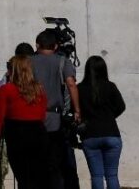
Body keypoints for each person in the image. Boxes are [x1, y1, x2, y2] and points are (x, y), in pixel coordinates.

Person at [0, 54, 49, 189]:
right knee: (37, 175)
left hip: (16, 132)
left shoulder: (7, 89)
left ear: (14, 70)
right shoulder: (39, 89)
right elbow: (43, 114)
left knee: (22, 175)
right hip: (38, 131)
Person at [32, 31, 81, 189]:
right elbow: (71, 84)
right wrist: (77, 110)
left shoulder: (28, 62)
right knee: (56, 164)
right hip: (55, 117)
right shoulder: (62, 61)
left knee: (36, 164)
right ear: (56, 46)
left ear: (37, 45)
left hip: (32, 117)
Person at [78, 56, 127, 189]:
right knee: (112, 175)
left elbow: (75, 110)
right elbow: (121, 106)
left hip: (90, 134)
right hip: (111, 132)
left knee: (96, 175)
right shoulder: (110, 86)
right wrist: (110, 116)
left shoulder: (80, 88)